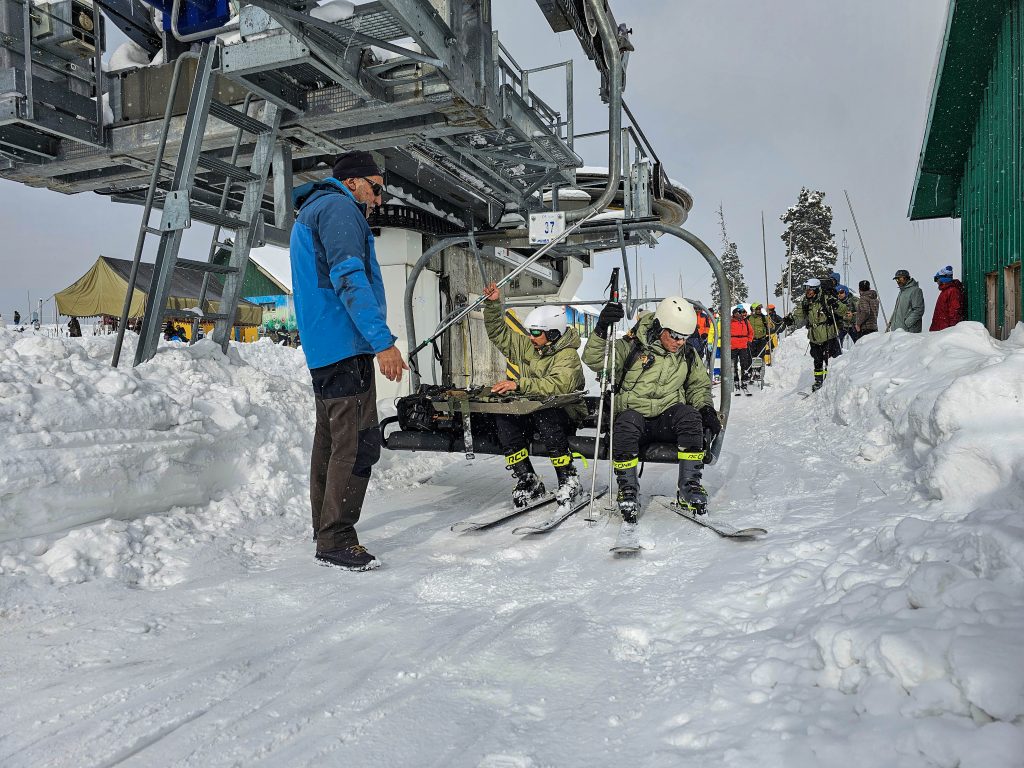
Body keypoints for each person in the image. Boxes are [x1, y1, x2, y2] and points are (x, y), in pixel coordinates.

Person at [290, 149, 406, 571]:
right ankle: (336, 538)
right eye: (377, 189)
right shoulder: (339, 208)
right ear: (355, 181)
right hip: (346, 344)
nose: (378, 199)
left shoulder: (313, 210)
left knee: (331, 441)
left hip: (326, 349)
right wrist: (382, 342)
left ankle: (325, 528)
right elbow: (349, 277)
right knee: (358, 443)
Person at [582, 297, 719, 521]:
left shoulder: (687, 354)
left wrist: (705, 409)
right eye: (675, 335)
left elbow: (698, 386)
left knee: (691, 418)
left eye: (685, 337)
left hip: (667, 417)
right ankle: (628, 489)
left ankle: (689, 486)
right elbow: (595, 359)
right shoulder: (631, 345)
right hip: (635, 418)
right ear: (659, 326)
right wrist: (601, 328)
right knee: (625, 423)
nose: (679, 342)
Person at [482, 282, 587, 509]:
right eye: (530, 332)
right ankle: (527, 479)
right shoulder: (531, 346)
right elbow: (499, 334)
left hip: (564, 412)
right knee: (505, 417)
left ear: (552, 333)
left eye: (536, 333)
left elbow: (557, 385)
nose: (531, 337)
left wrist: (518, 385)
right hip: (533, 409)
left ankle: (568, 478)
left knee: (545, 415)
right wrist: (492, 306)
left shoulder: (567, 356)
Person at [783, 278, 843, 392]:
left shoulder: (826, 298)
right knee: (817, 359)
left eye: (810, 289)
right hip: (814, 336)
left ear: (816, 289)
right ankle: (818, 380)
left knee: (829, 359)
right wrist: (791, 320)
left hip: (828, 335)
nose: (808, 292)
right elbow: (798, 314)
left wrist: (836, 304)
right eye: (806, 289)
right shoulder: (805, 301)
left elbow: (843, 310)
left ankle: (829, 380)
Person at [929, 265, 967, 331]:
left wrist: (951, 330)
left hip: (944, 330)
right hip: (940, 328)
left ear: (943, 278)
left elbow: (954, 311)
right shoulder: (945, 291)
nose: (937, 282)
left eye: (937, 279)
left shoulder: (953, 291)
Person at [729, 304, 754, 393]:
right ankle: (735, 379)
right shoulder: (730, 322)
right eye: (738, 312)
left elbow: (751, 332)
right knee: (733, 364)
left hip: (743, 345)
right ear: (734, 314)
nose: (740, 314)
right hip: (733, 345)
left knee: (744, 363)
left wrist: (749, 340)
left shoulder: (746, 321)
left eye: (741, 312)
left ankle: (744, 379)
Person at [747, 302, 772, 376]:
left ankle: (757, 371)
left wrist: (769, 325)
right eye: (757, 309)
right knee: (751, 356)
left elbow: (772, 327)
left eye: (760, 308)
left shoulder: (764, 317)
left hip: (761, 340)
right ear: (753, 310)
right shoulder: (748, 318)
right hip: (751, 340)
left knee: (760, 356)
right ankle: (750, 371)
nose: (759, 310)